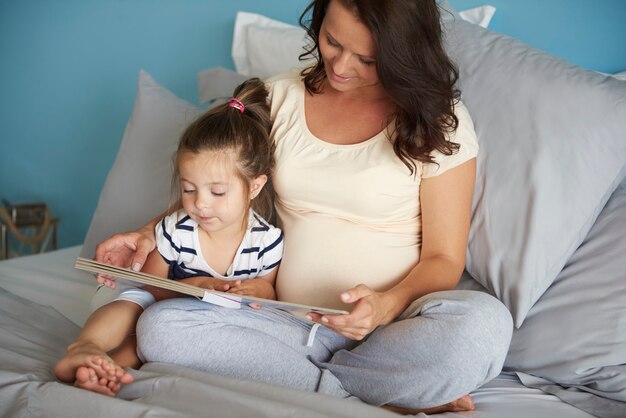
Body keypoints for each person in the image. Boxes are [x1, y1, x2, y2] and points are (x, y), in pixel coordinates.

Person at [96, 0, 514, 413]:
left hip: (394, 329)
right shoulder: (279, 96)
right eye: (332, 41)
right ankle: (379, 394)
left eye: (366, 59)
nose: (341, 66)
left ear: (402, 55)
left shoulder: (438, 121)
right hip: (282, 324)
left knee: (485, 325)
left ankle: (331, 383)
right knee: (163, 328)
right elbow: (216, 183)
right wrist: (148, 232)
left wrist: (386, 306)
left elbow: (444, 258)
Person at [54, 78, 283, 397]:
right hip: (160, 305)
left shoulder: (266, 241)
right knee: (133, 308)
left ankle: (101, 372)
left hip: (198, 326)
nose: (200, 203)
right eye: (189, 189)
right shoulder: (179, 228)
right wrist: (195, 288)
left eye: (217, 191)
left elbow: (269, 290)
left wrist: (258, 290)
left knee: (145, 346)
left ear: (255, 187)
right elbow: (151, 286)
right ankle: (85, 348)